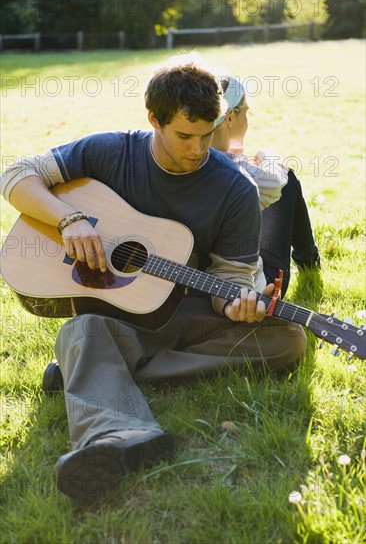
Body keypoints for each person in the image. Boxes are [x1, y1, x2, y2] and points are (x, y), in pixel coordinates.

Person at [0, 59, 307, 504]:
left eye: (208, 134)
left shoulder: (235, 188)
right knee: (81, 329)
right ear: (154, 120)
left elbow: (231, 276)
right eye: (184, 135)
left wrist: (236, 303)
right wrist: (69, 220)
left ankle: (95, 373)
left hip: (191, 311)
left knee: (287, 339)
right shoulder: (110, 151)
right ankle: (119, 436)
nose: (198, 149)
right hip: (118, 317)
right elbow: (15, 175)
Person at [211, 75, 321, 297]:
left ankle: (310, 260)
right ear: (230, 117)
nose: (248, 121)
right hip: (256, 290)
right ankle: (309, 261)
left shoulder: (187, 158)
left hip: (205, 282)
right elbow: (275, 182)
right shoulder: (239, 173)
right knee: (287, 178)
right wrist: (267, 158)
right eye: (246, 112)